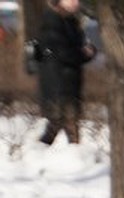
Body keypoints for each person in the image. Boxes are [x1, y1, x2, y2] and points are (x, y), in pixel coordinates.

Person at [36, 0, 95, 146]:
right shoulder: (52, 21)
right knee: (63, 121)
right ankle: (38, 153)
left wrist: (87, 52)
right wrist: (84, 54)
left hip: (68, 80)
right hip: (59, 82)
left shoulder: (70, 20)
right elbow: (63, 53)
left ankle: (43, 152)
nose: (76, 2)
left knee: (64, 122)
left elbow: (76, 48)